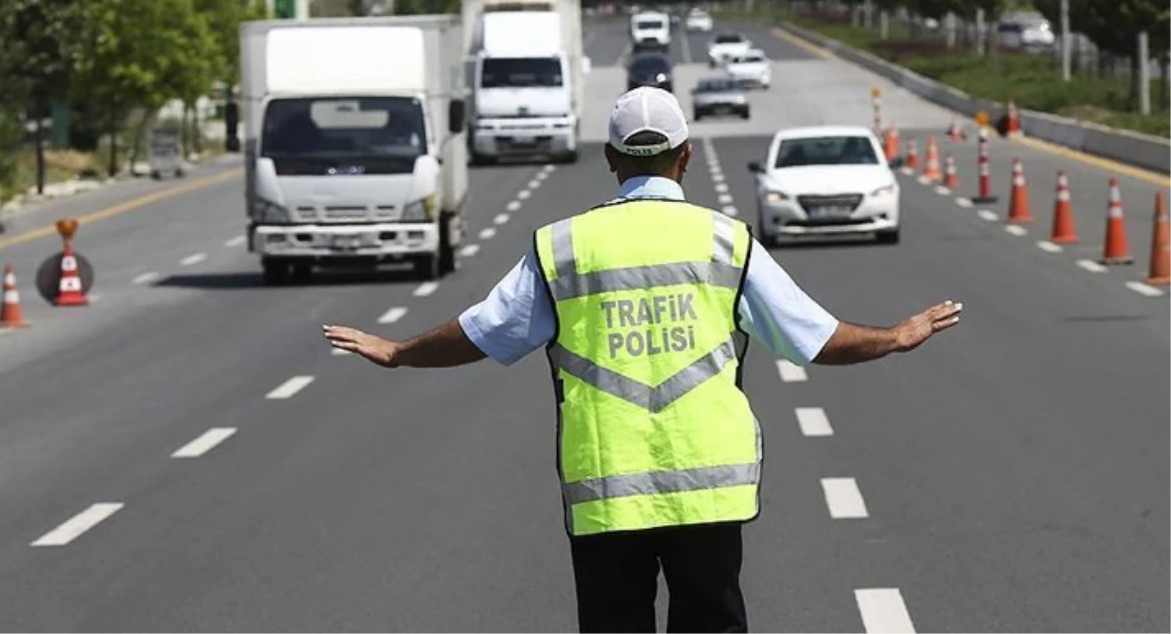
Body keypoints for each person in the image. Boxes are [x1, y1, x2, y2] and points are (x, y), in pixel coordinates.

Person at [322, 86, 962, 634]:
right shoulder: (725, 241)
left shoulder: (564, 247)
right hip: (710, 493)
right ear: (685, 156)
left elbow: (485, 332)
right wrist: (895, 335)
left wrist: (399, 352)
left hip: (607, 490)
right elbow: (814, 339)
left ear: (610, 160)